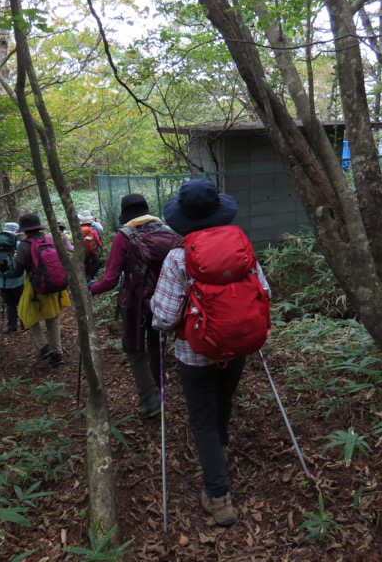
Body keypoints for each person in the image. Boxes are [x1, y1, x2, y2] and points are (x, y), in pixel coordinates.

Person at [151, 179, 271, 527]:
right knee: (223, 400)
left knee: (201, 418)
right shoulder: (242, 247)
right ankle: (220, 448)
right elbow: (264, 290)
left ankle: (218, 496)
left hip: (195, 352)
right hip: (238, 346)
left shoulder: (178, 257)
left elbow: (164, 316)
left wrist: (159, 320)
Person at [89, 194, 177, 419]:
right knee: (157, 345)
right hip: (164, 302)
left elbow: (109, 280)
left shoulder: (124, 236)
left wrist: (88, 289)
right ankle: (159, 391)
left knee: (134, 348)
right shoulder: (168, 232)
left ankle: (150, 398)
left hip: (136, 304)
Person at [3, 213, 70, 367]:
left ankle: (44, 346)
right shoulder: (50, 240)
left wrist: (7, 273)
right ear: (39, 226)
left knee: (27, 316)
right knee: (53, 320)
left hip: (35, 288)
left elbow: (18, 273)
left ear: (24, 230)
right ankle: (58, 354)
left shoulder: (24, 246)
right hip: (54, 288)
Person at [0, 222, 24, 334]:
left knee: (10, 304)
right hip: (18, 280)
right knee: (21, 302)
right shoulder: (18, 244)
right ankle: (25, 324)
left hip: (1, 280)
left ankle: (11, 328)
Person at [78, 210, 104, 282]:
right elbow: (98, 242)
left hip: (83, 250)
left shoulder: (78, 230)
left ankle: (86, 276)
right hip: (92, 250)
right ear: (89, 222)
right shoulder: (92, 230)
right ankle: (91, 276)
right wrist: (101, 245)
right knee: (96, 262)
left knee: (86, 263)